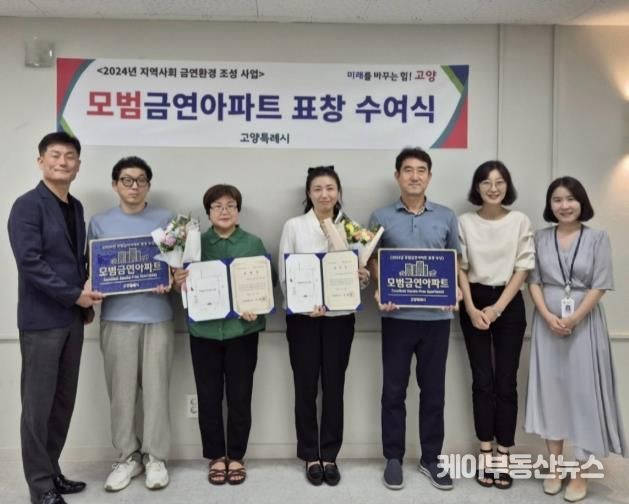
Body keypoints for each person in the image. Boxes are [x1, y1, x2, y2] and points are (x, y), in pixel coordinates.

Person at [7, 132, 102, 504]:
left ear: (78, 166)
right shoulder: (27, 206)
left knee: (63, 402)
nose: (63, 162)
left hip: (72, 319)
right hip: (41, 321)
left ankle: (52, 470)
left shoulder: (74, 206)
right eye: (55, 155)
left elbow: (76, 262)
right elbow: (30, 263)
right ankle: (40, 487)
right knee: (38, 406)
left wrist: (86, 300)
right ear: (41, 161)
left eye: (70, 157)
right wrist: (74, 296)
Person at [524, 176, 626, 502]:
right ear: (550, 205)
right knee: (551, 394)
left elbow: (600, 284)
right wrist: (548, 316)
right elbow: (533, 281)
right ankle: (555, 468)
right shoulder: (540, 238)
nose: (564, 205)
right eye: (557, 200)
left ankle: (579, 472)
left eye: (570, 199)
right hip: (547, 325)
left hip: (584, 325)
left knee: (583, 395)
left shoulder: (597, 238)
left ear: (582, 202)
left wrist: (573, 318)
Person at [367, 147, 460, 491]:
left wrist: (456, 290)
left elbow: (455, 260)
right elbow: (371, 258)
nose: (415, 176)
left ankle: (431, 458)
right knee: (393, 390)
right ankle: (393, 457)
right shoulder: (380, 216)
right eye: (408, 170)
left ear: (429, 177)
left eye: (421, 170)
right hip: (397, 316)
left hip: (437, 318)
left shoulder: (446, 216)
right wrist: (381, 286)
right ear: (397, 176)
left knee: (433, 391)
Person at [173, 184, 275, 486]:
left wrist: (256, 306)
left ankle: (237, 456)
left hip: (242, 331)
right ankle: (216, 456)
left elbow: (268, 284)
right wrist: (179, 281)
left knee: (241, 396)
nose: (224, 211)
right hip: (203, 332)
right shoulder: (194, 245)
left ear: (238, 211)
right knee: (208, 396)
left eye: (230, 205)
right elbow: (184, 288)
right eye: (217, 206)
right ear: (208, 213)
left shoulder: (253, 243)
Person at [87, 156, 174, 492]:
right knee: (121, 396)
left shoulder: (167, 220)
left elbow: (178, 267)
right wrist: (92, 287)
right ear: (115, 185)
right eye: (127, 180)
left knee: (156, 392)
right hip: (116, 317)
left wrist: (171, 280)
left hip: (157, 316)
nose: (134, 186)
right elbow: (90, 269)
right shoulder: (99, 222)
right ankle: (127, 457)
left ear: (148, 186)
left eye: (140, 180)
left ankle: (155, 458)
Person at [278, 165, 369, 486]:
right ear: (309, 193)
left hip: (339, 319)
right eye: (317, 189)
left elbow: (358, 275)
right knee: (305, 386)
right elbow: (285, 273)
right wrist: (305, 304)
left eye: (330, 188)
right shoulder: (294, 226)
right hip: (303, 320)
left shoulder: (351, 228)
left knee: (334, 386)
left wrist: (362, 276)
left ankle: (329, 454)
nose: (324, 194)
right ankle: (309, 455)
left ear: (338, 192)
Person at [457, 161, 534, 489]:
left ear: (507, 186)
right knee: (482, 380)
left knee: (506, 381)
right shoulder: (464, 221)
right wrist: (471, 307)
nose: (493, 188)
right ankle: (485, 451)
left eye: (499, 182)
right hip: (472, 300)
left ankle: (504, 452)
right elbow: (460, 266)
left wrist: (497, 308)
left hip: (509, 302)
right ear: (477, 187)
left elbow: (523, 267)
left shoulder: (519, 221)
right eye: (486, 182)